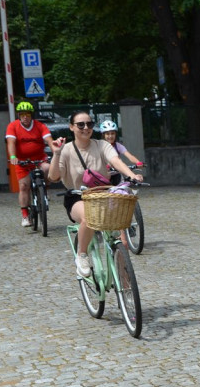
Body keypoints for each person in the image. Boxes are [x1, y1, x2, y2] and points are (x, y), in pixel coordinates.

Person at [47, 111, 143, 277]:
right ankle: (82, 255)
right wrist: (56, 153)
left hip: (103, 195)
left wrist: (131, 175)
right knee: (89, 217)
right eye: (80, 125)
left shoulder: (101, 145)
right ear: (71, 127)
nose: (86, 128)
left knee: (121, 242)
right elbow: (53, 176)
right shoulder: (66, 150)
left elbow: (115, 161)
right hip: (77, 196)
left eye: (89, 124)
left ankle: (125, 284)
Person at [6, 101, 55, 227]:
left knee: (48, 168)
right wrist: (13, 156)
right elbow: (11, 142)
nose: (25, 117)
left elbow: (49, 140)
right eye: (22, 114)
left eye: (27, 114)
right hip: (22, 161)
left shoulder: (39, 126)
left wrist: (56, 152)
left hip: (39, 159)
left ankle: (46, 190)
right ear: (19, 116)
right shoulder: (13, 126)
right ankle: (25, 215)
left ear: (31, 115)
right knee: (24, 186)